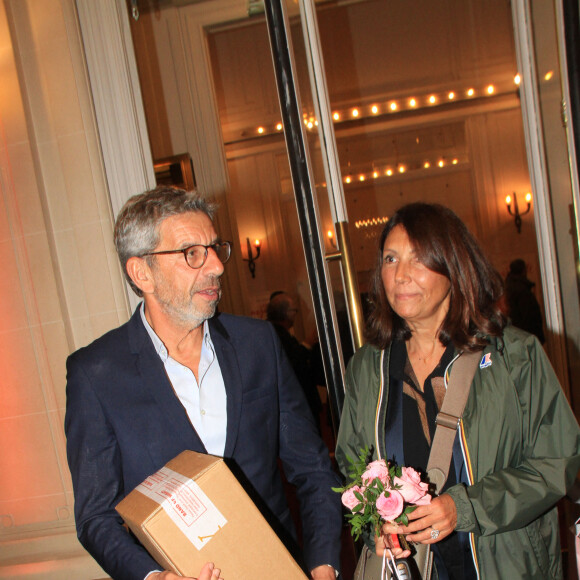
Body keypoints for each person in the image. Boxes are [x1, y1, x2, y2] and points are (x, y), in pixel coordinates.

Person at [65, 186, 342, 580]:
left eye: (215, 248)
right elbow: (95, 516)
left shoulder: (258, 344)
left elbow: (313, 469)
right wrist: (153, 577)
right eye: (192, 253)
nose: (216, 265)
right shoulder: (96, 374)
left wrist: (323, 565)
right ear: (142, 272)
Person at [335, 202, 580, 579]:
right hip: (413, 567)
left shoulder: (514, 356)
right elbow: (353, 467)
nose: (400, 275)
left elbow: (557, 461)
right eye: (390, 259)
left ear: (453, 266)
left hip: (503, 563)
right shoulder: (369, 368)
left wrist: (465, 508)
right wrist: (375, 529)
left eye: (418, 259)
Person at [266, 291, 324, 427]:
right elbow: (292, 364)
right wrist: (307, 345)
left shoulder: (274, 332)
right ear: (286, 313)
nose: (295, 315)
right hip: (297, 404)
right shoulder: (275, 334)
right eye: (294, 310)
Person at [504, 258, 545, 343]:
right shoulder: (521, 290)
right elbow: (528, 317)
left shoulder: (508, 288)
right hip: (525, 338)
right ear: (524, 270)